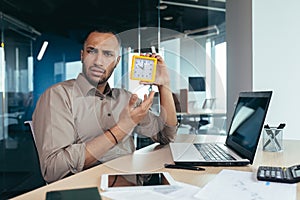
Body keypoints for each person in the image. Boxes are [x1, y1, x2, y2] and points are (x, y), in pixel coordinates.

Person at [32, 28, 178, 183]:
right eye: (92, 51)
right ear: (82, 56)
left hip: (134, 186)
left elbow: (166, 135)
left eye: (108, 54)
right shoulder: (58, 96)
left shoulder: (126, 98)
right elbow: (53, 169)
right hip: (90, 191)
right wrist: (121, 129)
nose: (98, 61)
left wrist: (164, 86)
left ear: (117, 61)